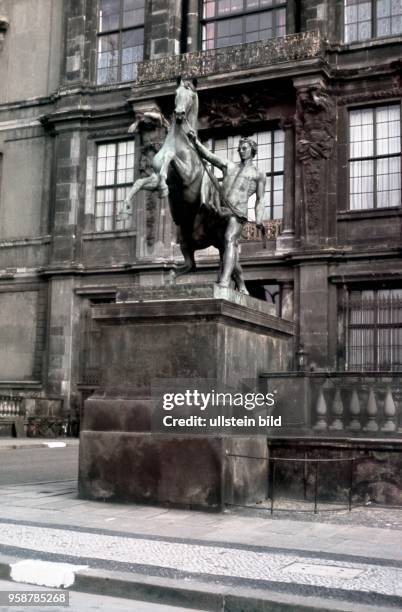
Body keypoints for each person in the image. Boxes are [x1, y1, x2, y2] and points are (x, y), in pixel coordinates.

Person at [187, 130, 266, 291]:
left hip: (237, 214)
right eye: (240, 148)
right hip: (220, 212)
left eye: (244, 148)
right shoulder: (229, 165)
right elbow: (209, 155)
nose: (241, 151)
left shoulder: (258, 174)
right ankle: (241, 283)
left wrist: (259, 219)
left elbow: (260, 199)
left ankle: (224, 281)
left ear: (252, 150)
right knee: (225, 247)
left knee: (230, 240)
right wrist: (195, 142)